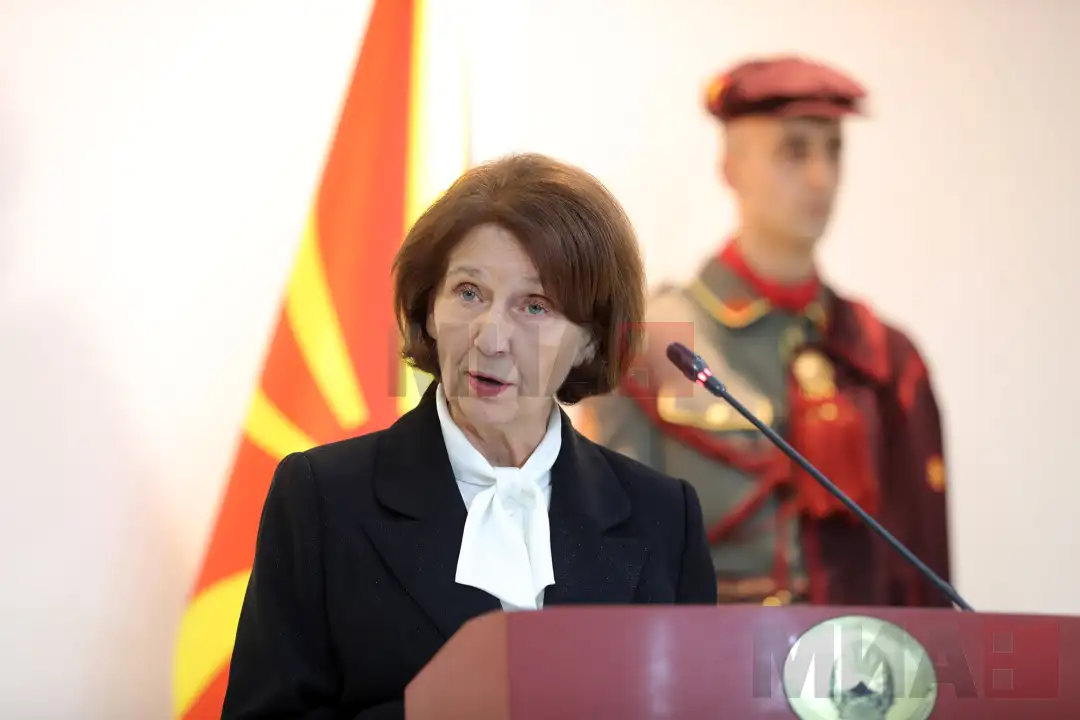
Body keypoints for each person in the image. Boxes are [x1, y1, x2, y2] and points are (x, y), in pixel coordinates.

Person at [221, 153, 718, 719]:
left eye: (535, 306)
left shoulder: (664, 516)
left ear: (589, 341)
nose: (491, 338)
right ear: (430, 311)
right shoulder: (321, 498)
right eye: (468, 292)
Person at [578, 56, 952, 608]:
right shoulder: (652, 340)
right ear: (731, 168)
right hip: (706, 655)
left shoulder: (883, 356)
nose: (821, 177)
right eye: (794, 151)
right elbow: (615, 559)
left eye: (833, 151)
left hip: (855, 659)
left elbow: (922, 578)